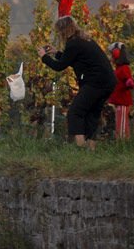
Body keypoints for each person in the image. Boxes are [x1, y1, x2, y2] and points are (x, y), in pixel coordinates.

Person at [39, 15, 115, 149]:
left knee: (75, 112)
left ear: (63, 31)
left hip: (95, 82)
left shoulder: (73, 43)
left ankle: (80, 147)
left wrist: (44, 57)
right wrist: (56, 53)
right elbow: (71, 60)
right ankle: (91, 149)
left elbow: (59, 66)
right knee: (92, 113)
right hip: (107, 82)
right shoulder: (83, 40)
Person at [107, 41, 134, 140]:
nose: (110, 57)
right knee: (119, 124)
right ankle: (121, 143)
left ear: (116, 54)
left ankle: (122, 144)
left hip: (123, 102)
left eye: (111, 54)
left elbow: (129, 80)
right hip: (118, 103)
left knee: (122, 126)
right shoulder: (119, 69)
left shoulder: (124, 68)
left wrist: (129, 82)